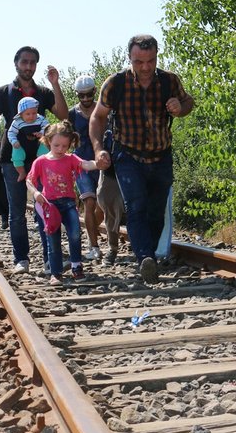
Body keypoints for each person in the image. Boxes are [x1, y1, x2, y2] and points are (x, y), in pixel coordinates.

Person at [90, 34, 195, 283]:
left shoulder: (169, 81)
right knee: (135, 206)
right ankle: (145, 258)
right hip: (128, 155)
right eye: (139, 62)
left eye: (150, 61)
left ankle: (149, 257)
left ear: (157, 56)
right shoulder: (115, 83)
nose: (146, 67)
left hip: (161, 156)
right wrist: (98, 150)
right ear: (130, 58)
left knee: (156, 211)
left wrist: (181, 107)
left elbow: (188, 102)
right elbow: (97, 117)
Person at [0, 46, 68, 274]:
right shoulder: (4, 92)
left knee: (45, 207)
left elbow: (63, 115)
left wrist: (56, 83)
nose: (28, 66)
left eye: (32, 63)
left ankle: (51, 260)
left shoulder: (44, 92)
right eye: (24, 62)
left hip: (42, 159)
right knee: (17, 212)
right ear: (16, 63)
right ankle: (21, 259)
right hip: (12, 160)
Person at [26, 122, 102, 285]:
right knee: (52, 239)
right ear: (48, 142)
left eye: (65, 146)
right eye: (56, 145)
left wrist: (97, 164)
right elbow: (29, 180)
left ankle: (76, 266)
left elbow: (85, 164)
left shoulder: (71, 158)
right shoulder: (41, 162)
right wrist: (36, 192)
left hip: (68, 203)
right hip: (50, 205)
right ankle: (56, 272)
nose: (61, 149)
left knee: (75, 233)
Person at [68, 74, 105, 261]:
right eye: (81, 95)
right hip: (81, 165)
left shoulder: (103, 109)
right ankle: (94, 246)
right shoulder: (72, 114)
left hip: (102, 163)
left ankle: (92, 230)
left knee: (103, 205)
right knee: (89, 202)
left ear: (94, 92)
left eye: (88, 95)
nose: (85, 99)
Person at [9, 97, 49, 181]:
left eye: (34, 113)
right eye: (28, 114)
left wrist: (42, 132)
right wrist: (14, 141)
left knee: (44, 152)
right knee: (16, 157)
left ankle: (42, 171)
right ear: (21, 114)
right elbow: (11, 133)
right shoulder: (17, 122)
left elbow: (47, 127)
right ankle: (22, 172)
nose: (31, 116)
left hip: (38, 143)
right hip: (22, 145)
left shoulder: (40, 118)